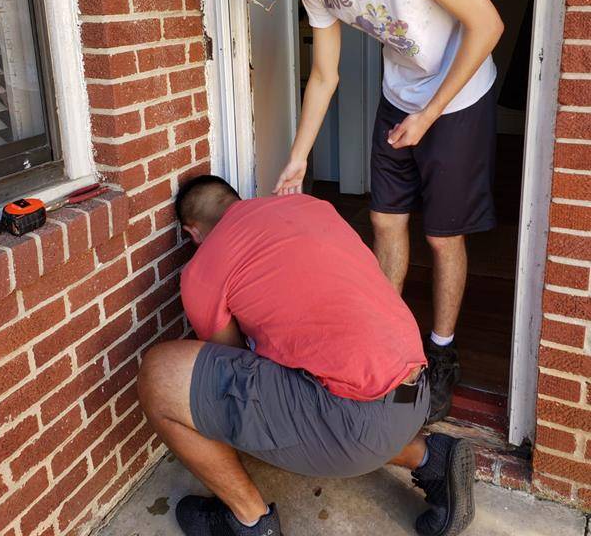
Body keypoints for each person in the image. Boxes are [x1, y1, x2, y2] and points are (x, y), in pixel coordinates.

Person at [227, 0, 504, 422]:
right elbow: (325, 74)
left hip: (460, 92)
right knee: (384, 221)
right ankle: (386, 341)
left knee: (443, 235)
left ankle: (442, 351)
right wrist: (299, 156)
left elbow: (487, 23)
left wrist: (429, 115)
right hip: (400, 95)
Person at [138, 175, 476, 536]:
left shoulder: (203, 267)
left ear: (193, 233)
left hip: (355, 426)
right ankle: (431, 458)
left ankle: (249, 521)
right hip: (416, 393)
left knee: (159, 377)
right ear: (239, 201)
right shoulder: (308, 207)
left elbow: (232, 369)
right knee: (329, 375)